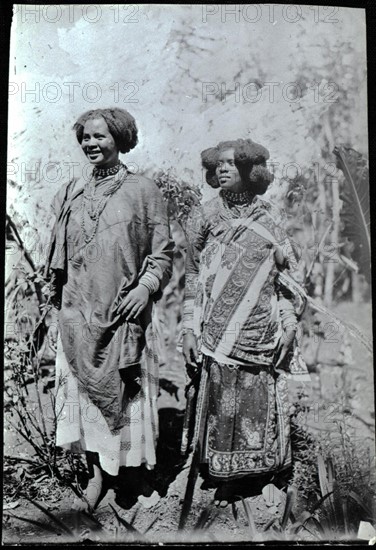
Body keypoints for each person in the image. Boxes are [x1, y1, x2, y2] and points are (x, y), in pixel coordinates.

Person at [45, 107, 174, 511]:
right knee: (84, 399)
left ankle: (132, 478)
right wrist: (55, 312)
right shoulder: (70, 192)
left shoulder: (142, 190)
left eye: (99, 136)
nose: (91, 144)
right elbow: (58, 260)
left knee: (126, 394)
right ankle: (99, 476)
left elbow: (162, 253)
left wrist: (146, 289)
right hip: (77, 315)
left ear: (119, 139)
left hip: (121, 315)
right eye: (85, 137)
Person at [182, 139, 309, 506]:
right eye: (217, 164)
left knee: (259, 400)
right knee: (224, 400)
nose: (222, 169)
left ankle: (266, 472)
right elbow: (192, 275)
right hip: (217, 331)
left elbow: (289, 281)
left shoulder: (271, 218)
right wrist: (189, 328)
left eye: (231, 164)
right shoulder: (203, 216)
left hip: (261, 330)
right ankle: (227, 477)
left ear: (251, 172)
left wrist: (289, 325)